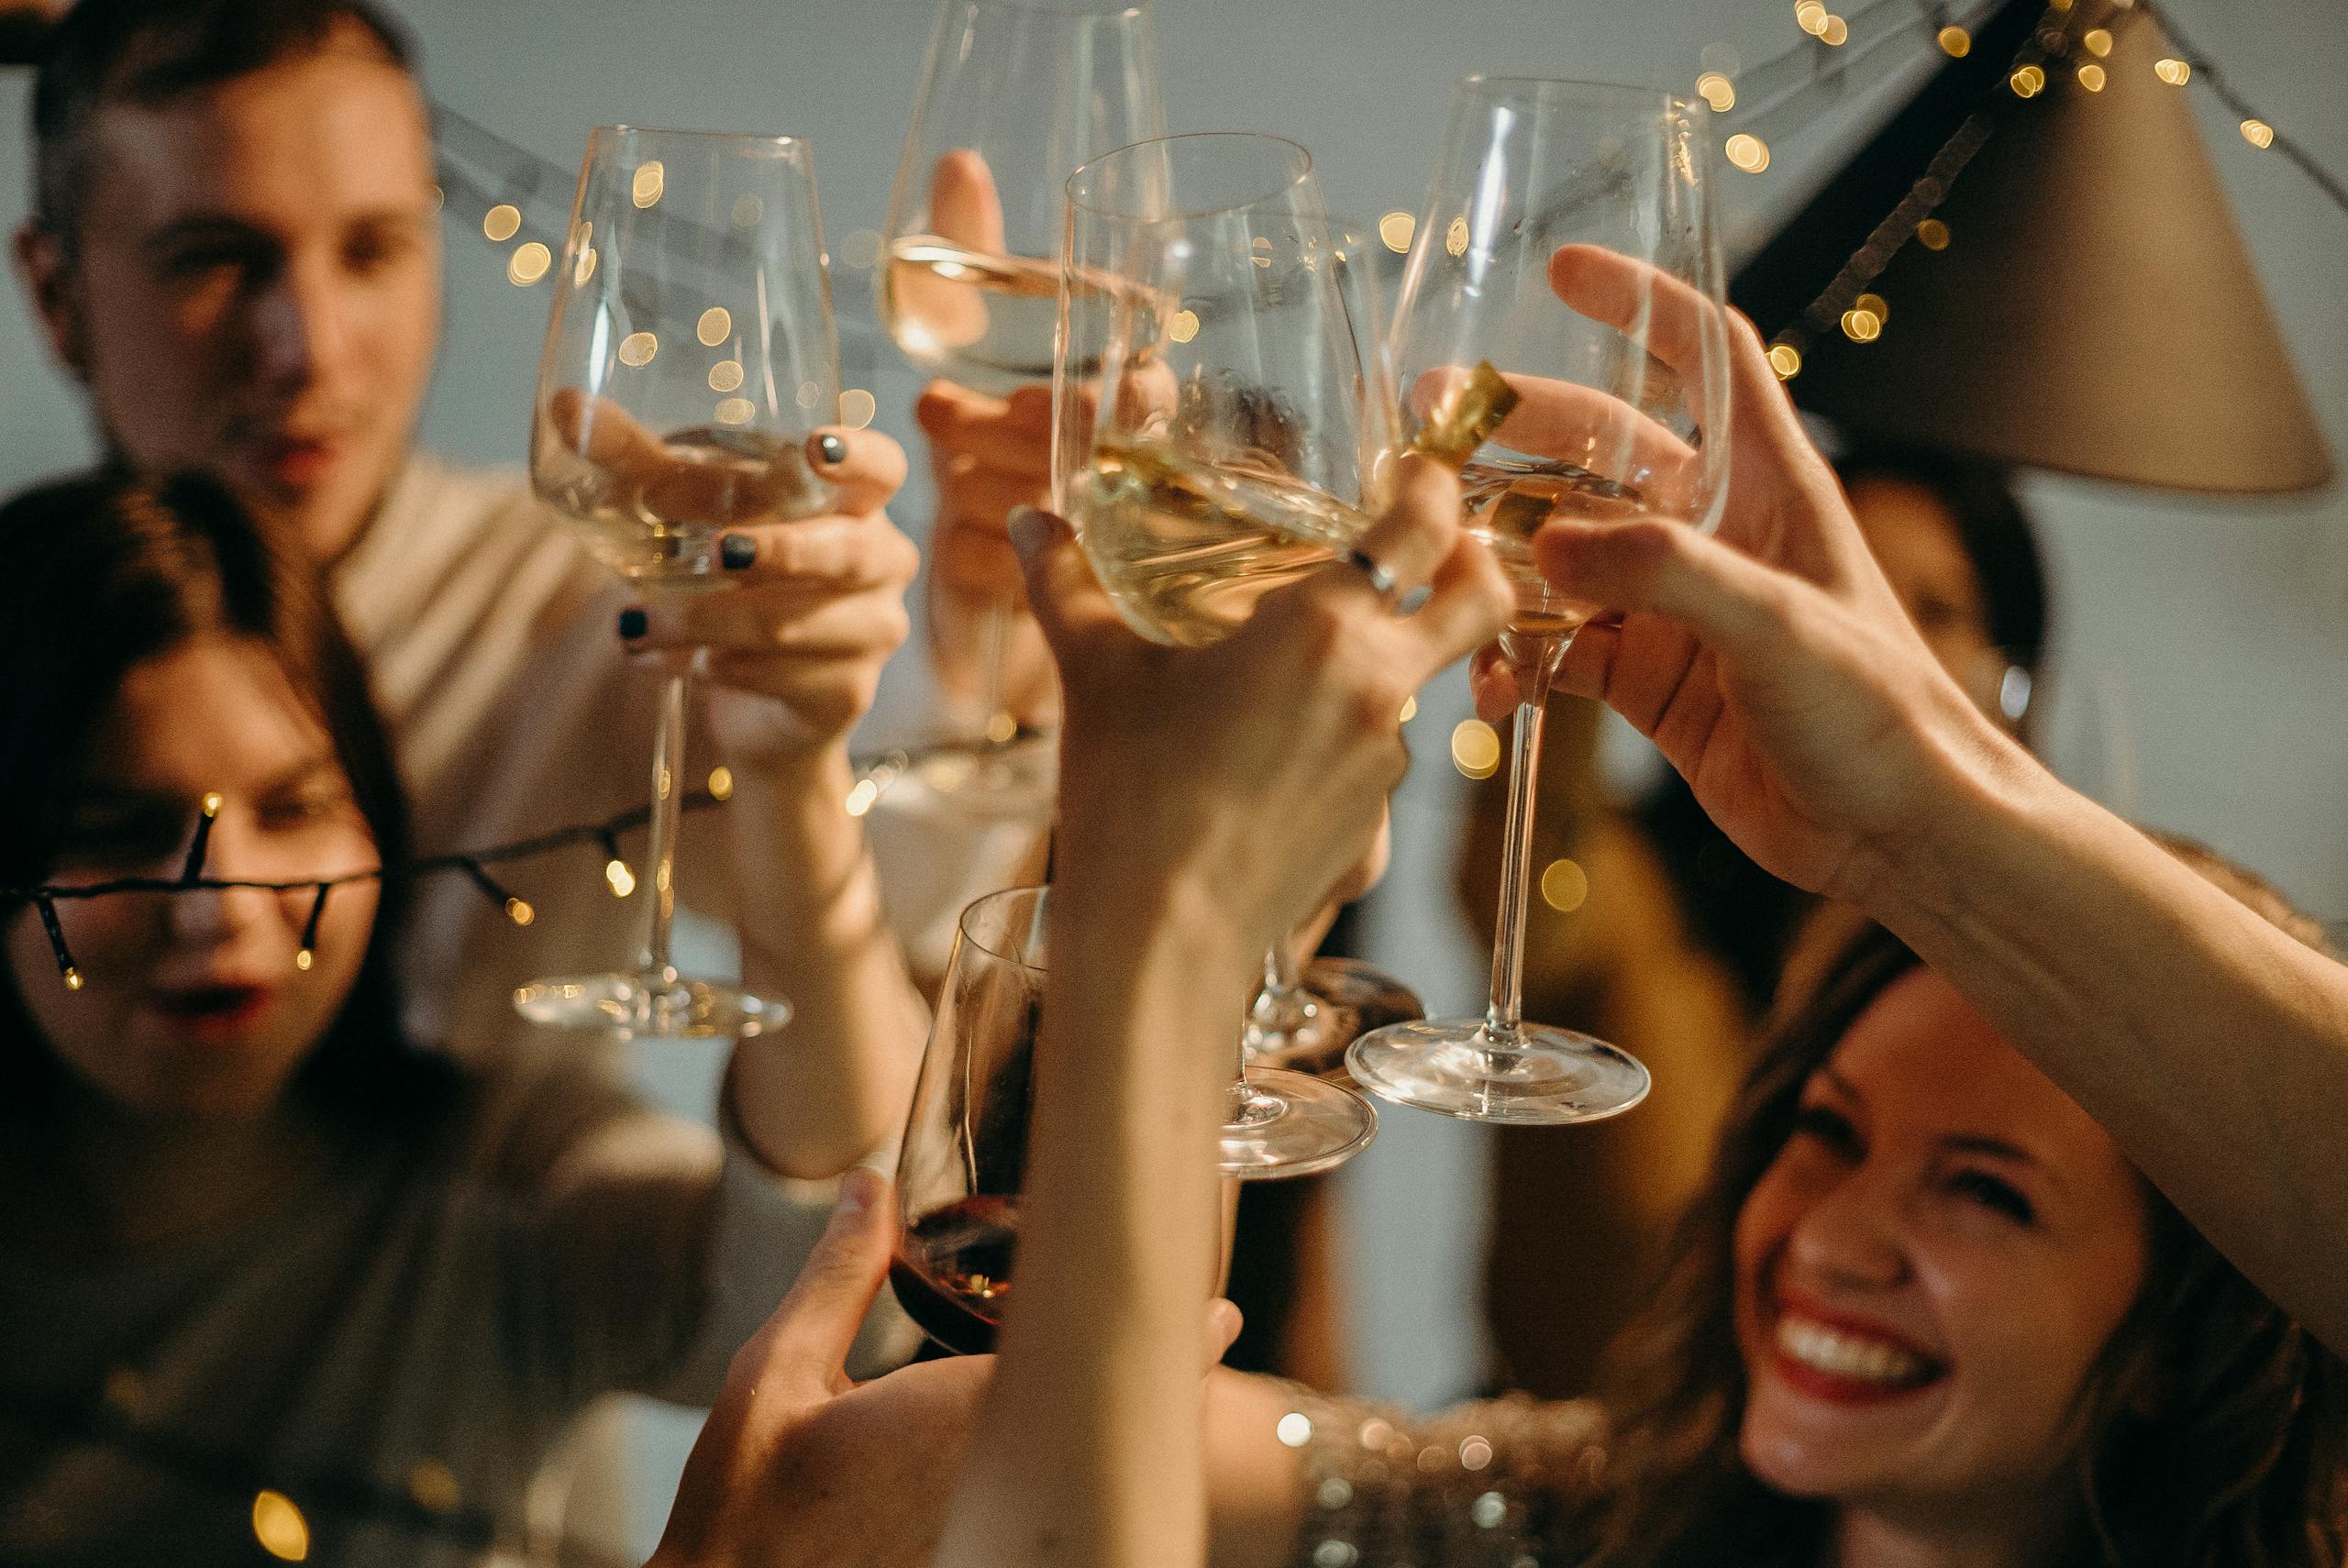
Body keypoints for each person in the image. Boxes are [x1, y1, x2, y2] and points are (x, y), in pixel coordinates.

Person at [632, 244, 2348, 1568]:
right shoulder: (1587, 1509)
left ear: (2191, 1337)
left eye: (1986, 1195)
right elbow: (1013, 1476)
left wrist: (1171, 904)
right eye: (1819, 1134)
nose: (1830, 1234)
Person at [0, 469, 921, 1565]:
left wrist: (791, 772)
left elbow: (840, 1297)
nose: (221, 906)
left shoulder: (501, 1191)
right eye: (121, 829)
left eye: (293, 809)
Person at [12, 0, 931, 1052]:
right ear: (54, 294)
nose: (309, 347)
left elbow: (921, 909)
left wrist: (942, 643)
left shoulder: (596, 614)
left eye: (372, 251)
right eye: (215, 259)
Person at [1468, 442, 2051, 1398]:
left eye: (1934, 611)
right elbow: (1524, 889)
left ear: (2011, 685)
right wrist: (1565, 606)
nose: (1870, 643)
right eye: (1828, 590)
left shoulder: (2009, 998)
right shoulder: (1629, 891)